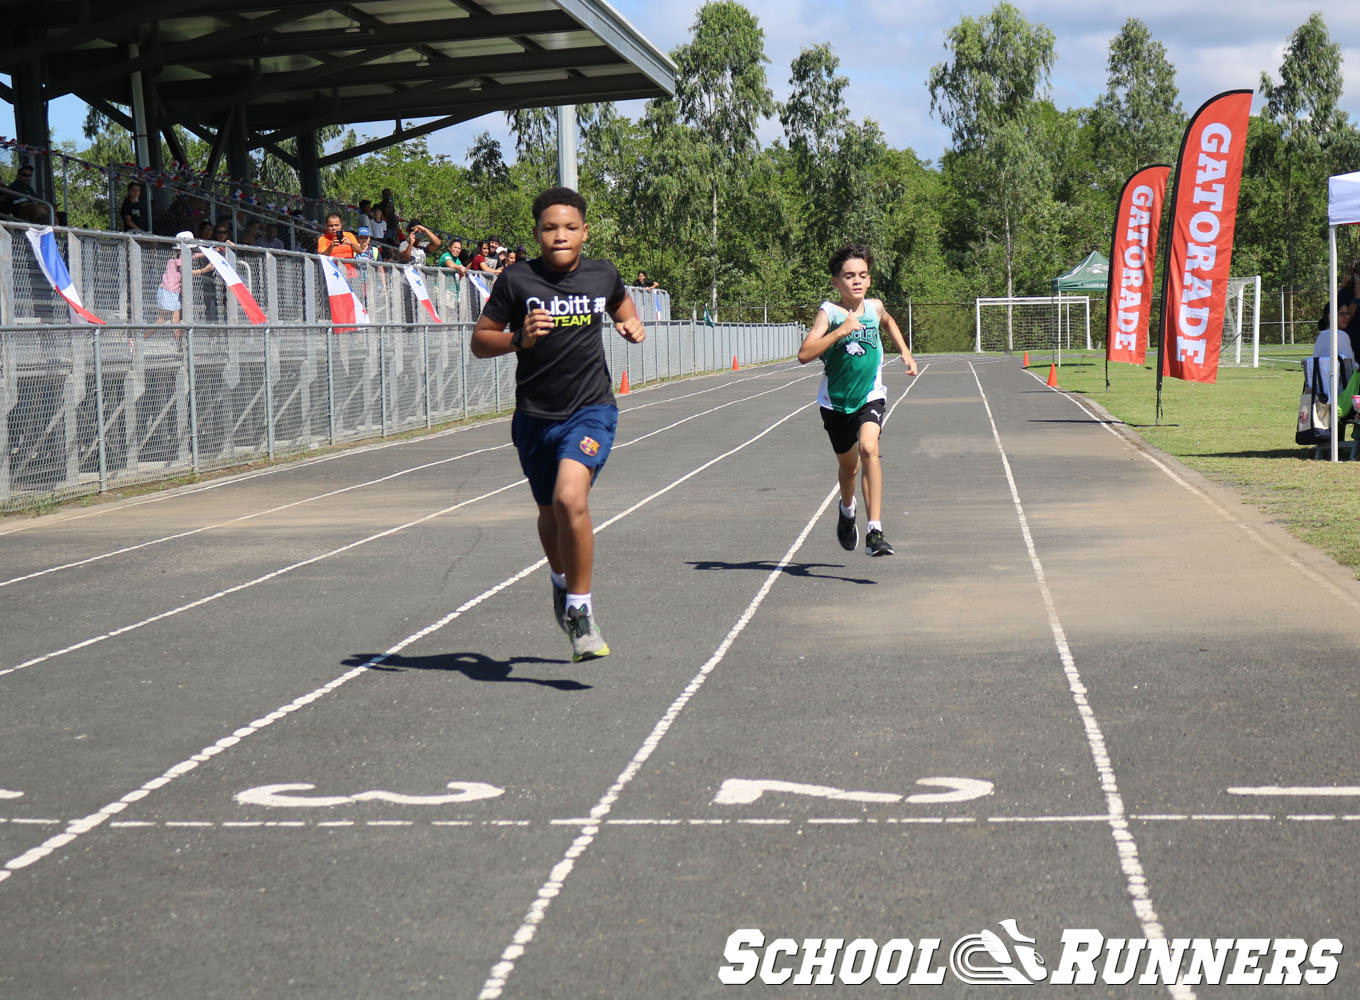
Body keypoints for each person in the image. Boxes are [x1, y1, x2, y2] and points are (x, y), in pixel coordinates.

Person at [470, 186, 646, 662]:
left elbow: (624, 308)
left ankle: (582, 612)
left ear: (585, 232)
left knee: (572, 498)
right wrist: (518, 339)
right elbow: (481, 341)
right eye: (550, 228)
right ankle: (559, 582)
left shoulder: (602, 274)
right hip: (534, 416)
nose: (560, 236)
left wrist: (632, 326)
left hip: (591, 408)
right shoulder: (516, 280)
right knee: (549, 510)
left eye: (570, 227)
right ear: (537, 233)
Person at [797, 243, 917, 557]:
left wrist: (904, 352)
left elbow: (889, 321)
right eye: (849, 276)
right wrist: (839, 332)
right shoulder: (830, 312)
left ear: (869, 279)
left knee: (869, 448)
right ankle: (847, 511)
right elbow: (804, 355)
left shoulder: (875, 308)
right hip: (835, 403)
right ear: (836, 282)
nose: (857, 281)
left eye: (862, 275)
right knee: (848, 470)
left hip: (869, 396)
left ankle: (874, 530)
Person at [318, 212, 360, 279]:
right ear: (327, 226)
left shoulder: (349, 235)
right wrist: (331, 247)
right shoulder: (323, 239)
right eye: (331, 226)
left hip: (350, 275)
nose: (334, 228)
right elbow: (321, 255)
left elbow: (359, 251)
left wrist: (351, 243)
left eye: (336, 225)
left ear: (341, 225)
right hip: (332, 276)